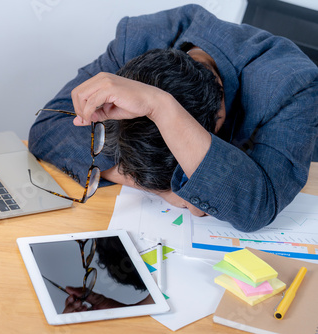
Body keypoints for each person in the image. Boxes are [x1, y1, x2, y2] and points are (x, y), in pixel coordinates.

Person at [28, 4, 318, 232]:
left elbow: (257, 205)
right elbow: (48, 130)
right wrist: (157, 187)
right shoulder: (139, 38)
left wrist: (161, 106)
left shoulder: (293, 84)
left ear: (220, 117)